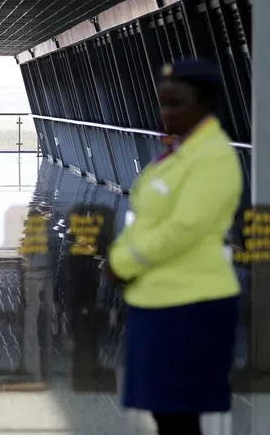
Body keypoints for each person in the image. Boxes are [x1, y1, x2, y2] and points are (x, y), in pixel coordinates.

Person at [107, 58, 241, 435]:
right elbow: (146, 214)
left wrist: (123, 262)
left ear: (206, 104)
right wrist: (120, 258)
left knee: (180, 418)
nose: (166, 113)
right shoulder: (177, 154)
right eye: (163, 103)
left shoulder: (214, 157)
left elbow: (185, 227)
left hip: (192, 306)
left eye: (176, 103)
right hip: (155, 303)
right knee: (165, 416)